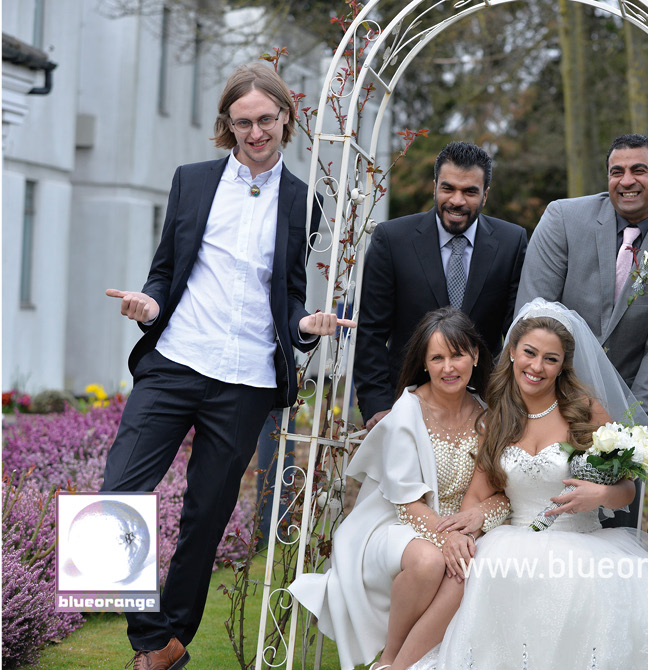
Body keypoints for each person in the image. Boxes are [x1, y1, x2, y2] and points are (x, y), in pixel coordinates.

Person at [101, 63, 352, 670]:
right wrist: (148, 303)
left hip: (245, 379)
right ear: (228, 125)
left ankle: (167, 649)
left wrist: (304, 326)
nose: (256, 132)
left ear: (286, 121)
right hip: (175, 360)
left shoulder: (303, 202)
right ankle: (151, 635)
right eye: (243, 122)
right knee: (111, 498)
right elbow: (166, 269)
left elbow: (289, 294)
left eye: (267, 119)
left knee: (206, 516)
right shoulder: (190, 181)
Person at [416, 299, 648, 670]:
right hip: (512, 542)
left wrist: (602, 494)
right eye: (530, 353)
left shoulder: (586, 410)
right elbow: (478, 495)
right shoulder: (497, 415)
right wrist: (463, 531)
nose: (537, 367)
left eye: (551, 358)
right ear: (513, 351)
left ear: (564, 365)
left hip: (583, 543)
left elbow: (626, 489)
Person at [288, 307, 511, 670]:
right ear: (424, 363)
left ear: (474, 354)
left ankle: (399, 666)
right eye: (437, 358)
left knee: (469, 565)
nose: (448, 367)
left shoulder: (488, 417)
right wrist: (449, 539)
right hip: (394, 527)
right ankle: (389, 658)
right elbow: (408, 505)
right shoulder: (408, 412)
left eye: (456, 355)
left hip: (453, 530)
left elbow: (502, 495)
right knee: (429, 561)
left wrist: (472, 521)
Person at [516, 133, 648, 528]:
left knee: (610, 549)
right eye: (617, 171)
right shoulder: (563, 218)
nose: (626, 180)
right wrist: (544, 417)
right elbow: (532, 321)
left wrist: (620, 453)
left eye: (638, 170)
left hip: (620, 420)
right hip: (543, 410)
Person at [354, 141, 528, 431]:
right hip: (404, 408)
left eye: (470, 191)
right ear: (435, 186)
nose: (457, 200)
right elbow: (371, 330)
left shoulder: (512, 243)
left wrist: (511, 407)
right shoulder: (392, 240)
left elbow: (516, 335)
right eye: (448, 188)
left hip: (484, 411)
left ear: (485, 194)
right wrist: (378, 405)